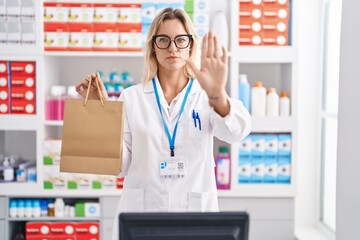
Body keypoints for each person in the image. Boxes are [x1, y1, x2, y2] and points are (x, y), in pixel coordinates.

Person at [76, 8, 251, 240]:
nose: (172, 47)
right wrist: (102, 115)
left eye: (180, 40)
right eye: (163, 40)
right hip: (142, 218)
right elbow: (119, 167)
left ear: (190, 45)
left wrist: (218, 95)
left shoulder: (205, 96)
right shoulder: (131, 97)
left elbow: (237, 131)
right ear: (153, 47)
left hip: (195, 217)